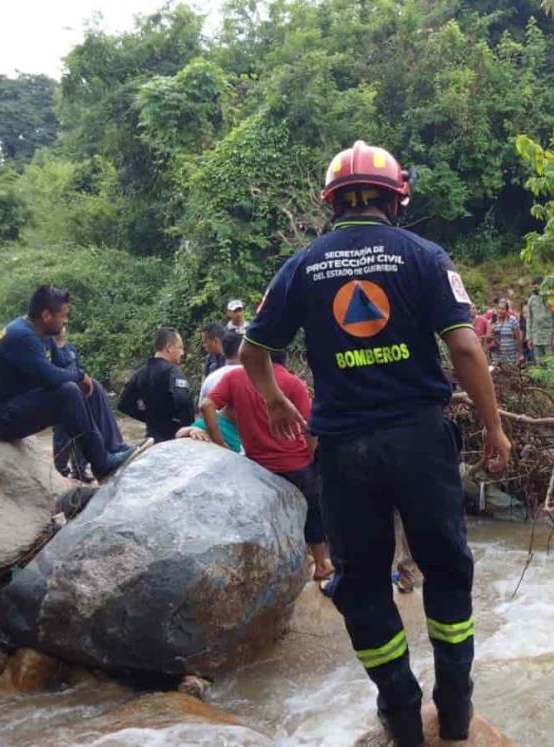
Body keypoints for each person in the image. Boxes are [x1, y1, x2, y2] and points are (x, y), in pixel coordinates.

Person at [238, 139, 510, 745]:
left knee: (361, 583)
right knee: (444, 568)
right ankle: (457, 710)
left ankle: (402, 715)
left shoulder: (304, 265)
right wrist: (494, 426)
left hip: (343, 450)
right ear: (396, 198)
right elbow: (465, 348)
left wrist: (277, 400)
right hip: (419, 440)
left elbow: (253, 352)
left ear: (333, 203)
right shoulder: (423, 255)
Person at [0, 285, 142, 482]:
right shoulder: (21, 336)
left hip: (18, 401)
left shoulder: (42, 334)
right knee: (68, 391)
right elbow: (51, 376)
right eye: (63, 315)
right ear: (46, 315)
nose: (66, 320)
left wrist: (83, 377)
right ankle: (102, 464)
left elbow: (62, 365)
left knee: (91, 385)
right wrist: (79, 376)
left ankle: (114, 447)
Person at [200, 349, 333, 581]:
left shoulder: (235, 378)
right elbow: (310, 429)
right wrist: (310, 455)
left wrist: (220, 445)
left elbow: (206, 404)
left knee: (264, 524)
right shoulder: (293, 383)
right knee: (312, 512)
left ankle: (268, 573)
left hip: (256, 470)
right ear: (285, 358)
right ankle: (321, 563)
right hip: (296, 466)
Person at [51, 329, 126, 479]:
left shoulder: (71, 348)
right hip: (63, 397)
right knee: (62, 434)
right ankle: (60, 468)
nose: (63, 328)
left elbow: (79, 368)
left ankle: (80, 468)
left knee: (81, 431)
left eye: (66, 325)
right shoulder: (51, 351)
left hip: (77, 395)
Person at [118, 327, 193, 444]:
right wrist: (190, 428)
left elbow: (124, 404)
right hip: (175, 438)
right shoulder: (173, 371)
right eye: (180, 348)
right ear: (169, 347)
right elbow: (183, 401)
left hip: (152, 439)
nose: (182, 353)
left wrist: (149, 418)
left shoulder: (140, 373)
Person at [199, 330, 242, 403]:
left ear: (216, 341)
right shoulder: (210, 359)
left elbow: (203, 405)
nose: (204, 345)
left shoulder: (211, 379)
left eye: (205, 342)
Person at [526, 278, 554, 364]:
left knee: (550, 363)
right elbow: (529, 319)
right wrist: (529, 338)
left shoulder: (551, 298)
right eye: (533, 287)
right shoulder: (531, 300)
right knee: (539, 363)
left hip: (549, 336)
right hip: (536, 337)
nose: (534, 289)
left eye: (536, 287)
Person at [487, 298, 522, 366]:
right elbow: (488, 340)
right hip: (496, 356)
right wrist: (492, 330)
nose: (500, 311)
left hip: (511, 356)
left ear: (507, 310)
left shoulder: (512, 320)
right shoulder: (492, 321)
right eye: (499, 308)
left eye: (502, 309)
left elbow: (518, 338)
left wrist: (520, 355)